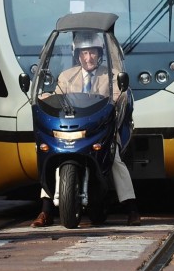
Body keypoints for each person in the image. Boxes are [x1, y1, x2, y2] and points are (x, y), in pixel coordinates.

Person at [30, 31, 140, 227]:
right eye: (84, 53)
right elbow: (58, 97)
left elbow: (119, 98)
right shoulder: (66, 76)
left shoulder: (112, 76)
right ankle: (45, 210)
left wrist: (115, 100)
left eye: (92, 53)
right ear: (78, 55)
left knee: (115, 160)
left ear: (99, 54)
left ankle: (131, 209)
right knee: (53, 156)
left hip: (101, 131)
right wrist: (46, 98)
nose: (88, 58)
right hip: (73, 131)